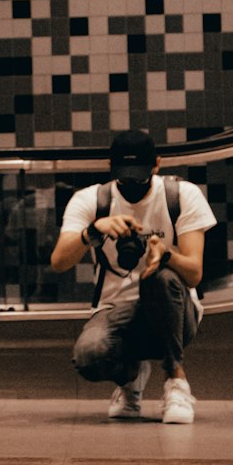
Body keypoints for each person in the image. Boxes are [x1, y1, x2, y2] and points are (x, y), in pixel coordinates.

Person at [50, 129, 217, 423]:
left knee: (160, 279)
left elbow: (194, 273)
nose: (131, 183)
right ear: (111, 168)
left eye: (139, 175)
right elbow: (59, 261)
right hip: (115, 309)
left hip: (176, 312)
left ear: (156, 165)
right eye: (124, 175)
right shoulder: (91, 200)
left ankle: (176, 380)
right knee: (89, 357)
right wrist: (93, 232)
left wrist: (164, 254)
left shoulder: (181, 195)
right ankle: (131, 378)